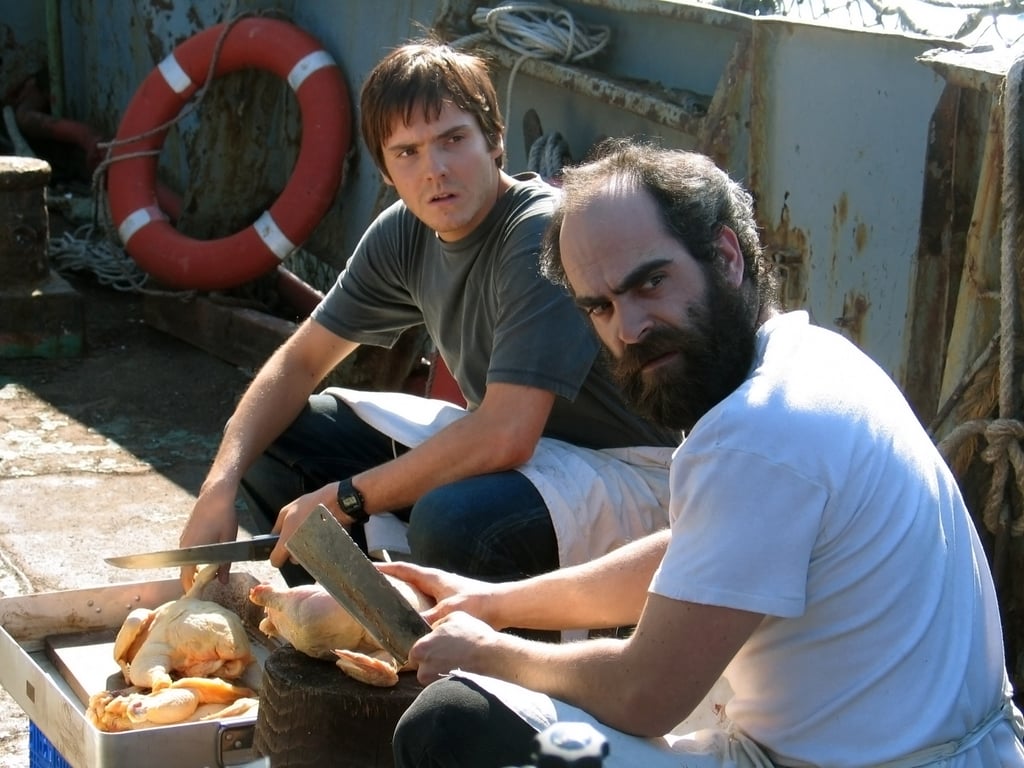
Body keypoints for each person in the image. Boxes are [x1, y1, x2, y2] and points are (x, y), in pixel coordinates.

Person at [382, 139, 1024, 767]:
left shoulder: (758, 435)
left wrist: (489, 651)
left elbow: (645, 696)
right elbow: (698, 552)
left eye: (651, 283)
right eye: (600, 307)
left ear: (725, 255)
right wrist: (494, 602)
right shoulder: (808, 358)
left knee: (453, 725)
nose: (628, 329)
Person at [178, 41, 678, 590]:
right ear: (387, 171)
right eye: (407, 152)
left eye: (452, 140)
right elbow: (299, 362)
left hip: (630, 476)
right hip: (528, 462)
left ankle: (474, 654)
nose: (434, 170)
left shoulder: (540, 232)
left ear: (495, 140)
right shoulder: (403, 233)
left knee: (452, 518)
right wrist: (217, 487)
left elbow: (507, 435)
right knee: (282, 436)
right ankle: (346, 630)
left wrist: (346, 496)